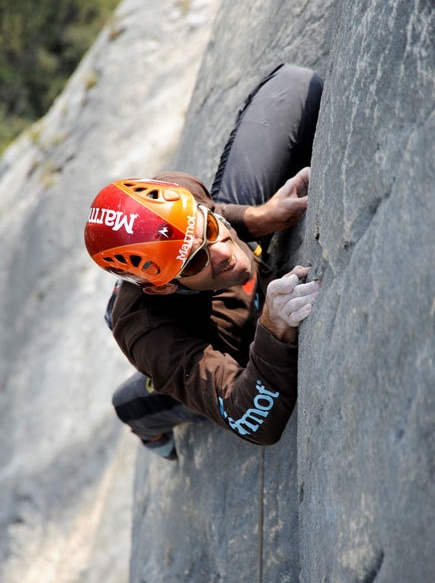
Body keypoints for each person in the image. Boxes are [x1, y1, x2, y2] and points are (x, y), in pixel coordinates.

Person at [85, 64, 323, 459]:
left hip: (178, 273)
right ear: (162, 285)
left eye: (210, 228)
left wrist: (257, 217)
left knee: (295, 88)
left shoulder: (177, 193)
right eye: (195, 261)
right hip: (201, 339)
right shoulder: (153, 337)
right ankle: (144, 424)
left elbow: (210, 217)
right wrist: (274, 328)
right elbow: (252, 420)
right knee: (144, 400)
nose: (226, 251)